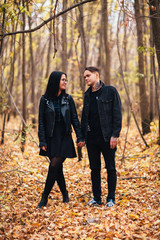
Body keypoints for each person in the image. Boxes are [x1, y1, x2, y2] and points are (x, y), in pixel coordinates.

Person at [37, 71, 84, 208]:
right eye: (63, 79)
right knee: (57, 169)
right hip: (51, 138)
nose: (65, 82)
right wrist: (42, 141)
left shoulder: (68, 99)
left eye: (66, 80)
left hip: (64, 137)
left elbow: (75, 119)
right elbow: (41, 122)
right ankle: (65, 194)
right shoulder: (44, 100)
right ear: (55, 81)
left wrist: (79, 136)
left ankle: (44, 197)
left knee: (53, 165)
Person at [81, 66, 122, 207]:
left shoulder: (110, 91)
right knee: (94, 168)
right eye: (84, 77)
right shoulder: (87, 95)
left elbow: (117, 114)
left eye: (88, 75)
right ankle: (97, 198)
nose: (86, 78)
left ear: (96, 75)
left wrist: (115, 135)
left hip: (107, 137)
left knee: (110, 168)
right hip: (91, 138)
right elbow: (84, 118)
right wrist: (82, 137)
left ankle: (111, 198)